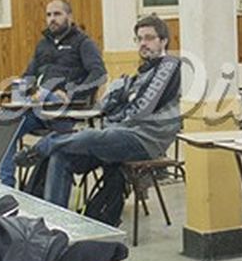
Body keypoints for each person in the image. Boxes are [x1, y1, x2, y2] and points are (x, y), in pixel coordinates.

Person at [33, 14, 182, 210]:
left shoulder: (169, 66)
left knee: (90, 136)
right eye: (139, 39)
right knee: (63, 154)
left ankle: (42, 146)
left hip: (145, 140)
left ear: (163, 41)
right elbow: (108, 105)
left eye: (149, 38)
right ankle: (54, 222)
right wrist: (120, 104)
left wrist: (119, 108)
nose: (142, 43)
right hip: (120, 136)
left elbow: (139, 111)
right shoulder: (140, 73)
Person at [0, 0, 107, 186]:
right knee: (5, 123)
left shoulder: (83, 43)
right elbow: (28, 76)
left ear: (69, 17)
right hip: (40, 106)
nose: (52, 19)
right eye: (48, 15)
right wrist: (26, 90)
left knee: (48, 93)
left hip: (67, 107)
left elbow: (99, 74)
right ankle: (7, 185)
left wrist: (71, 93)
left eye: (57, 14)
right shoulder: (43, 45)